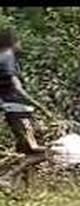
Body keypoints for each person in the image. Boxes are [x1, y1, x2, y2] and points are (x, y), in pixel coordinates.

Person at [0, 29, 47, 184]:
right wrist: (39, 105)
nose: (21, 45)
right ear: (13, 43)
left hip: (11, 108)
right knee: (40, 152)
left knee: (25, 151)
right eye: (19, 42)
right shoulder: (8, 58)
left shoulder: (4, 58)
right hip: (18, 109)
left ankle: (25, 187)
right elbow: (17, 88)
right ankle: (7, 177)